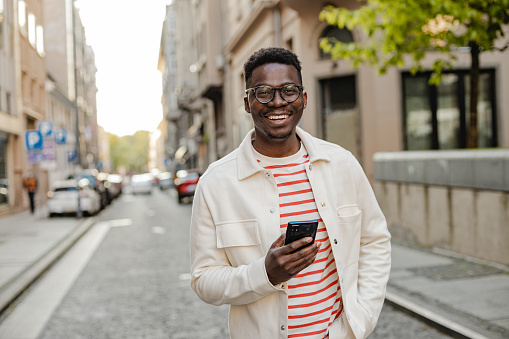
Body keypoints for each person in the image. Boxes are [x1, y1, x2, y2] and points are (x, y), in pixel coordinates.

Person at [190, 47, 391, 339]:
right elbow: (202, 278)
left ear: (303, 99)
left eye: (288, 90)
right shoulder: (216, 183)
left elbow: (375, 241)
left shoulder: (342, 164)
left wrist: (361, 319)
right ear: (247, 103)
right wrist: (266, 274)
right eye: (262, 93)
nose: (277, 102)